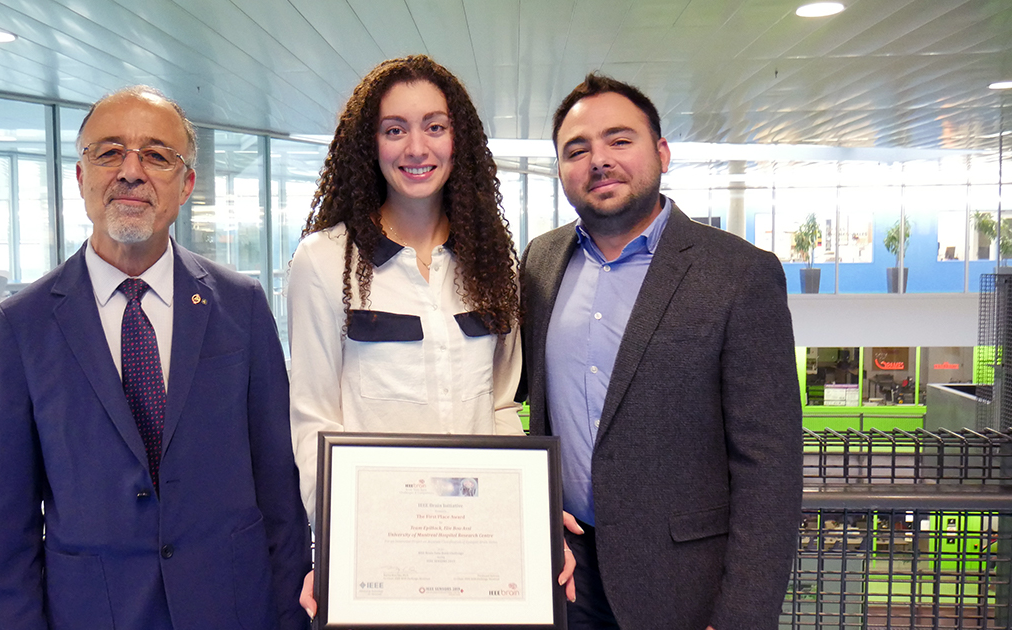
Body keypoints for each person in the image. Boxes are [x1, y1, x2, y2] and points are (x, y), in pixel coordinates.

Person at [0, 86, 310, 630]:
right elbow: (5, 522)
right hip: (93, 611)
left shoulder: (242, 306)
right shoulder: (23, 325)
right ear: (80, 178)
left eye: (157, 155)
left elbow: (277, 485)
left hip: (231, 607)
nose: (131, 171)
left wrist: (289, 617)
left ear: (186, 186)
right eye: (109, 152)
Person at [519, 73, 803, 629]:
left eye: (619, 140)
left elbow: (769, 467)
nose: (599, 159)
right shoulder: (540, 262)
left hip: (684, 587)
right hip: (565, 576)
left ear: (663, 153)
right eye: (577, 150)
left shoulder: (739, 274)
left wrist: (741, 616)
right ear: (560, 171)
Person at [287, 55, 547, 614]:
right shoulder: (323, 260)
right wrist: (333, 542)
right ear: (369, 144)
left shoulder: (490, 262)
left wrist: (532, 521)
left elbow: (501, 405)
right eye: (394, 130)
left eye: (435, 126)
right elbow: (313, 418)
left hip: (479, 548)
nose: (416, 148)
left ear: (460, 139)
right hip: (380, 551)